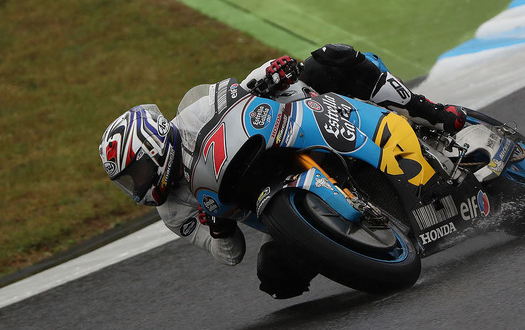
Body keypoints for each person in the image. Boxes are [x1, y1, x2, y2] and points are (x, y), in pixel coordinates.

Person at [98, 43, 466, 299]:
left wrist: (270, 74)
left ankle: (430, 111)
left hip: (285, 133)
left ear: (154, 144)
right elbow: (229, 254)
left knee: (328, 60)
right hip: (268, 206)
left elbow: (238, 93)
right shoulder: (173, 211)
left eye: (138, 172)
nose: (139, 186)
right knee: (275, 278)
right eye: (129, 182)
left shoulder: (191, 117)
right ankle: (351, 246)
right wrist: (219, 227)